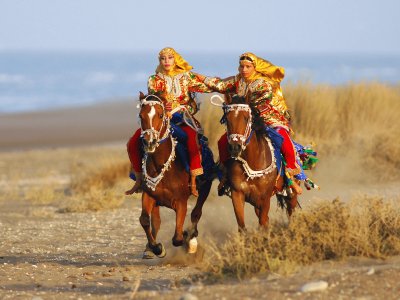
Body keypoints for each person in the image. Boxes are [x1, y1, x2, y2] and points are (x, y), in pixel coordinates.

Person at [200, 52, 303, 194]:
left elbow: (264, 100)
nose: (244, 70)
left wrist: (244, 107)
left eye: (248, 67)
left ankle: (291, 173)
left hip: (268, 118)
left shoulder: (263, 83)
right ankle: (225, 174)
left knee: (282, 137)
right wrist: (197, 77)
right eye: (241, 66)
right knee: (223, 142)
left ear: (254, 67)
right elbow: (220, 85)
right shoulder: (238, 80)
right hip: (246, 120)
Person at [126, 47, 214, 197]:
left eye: (170, 58)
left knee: (192, 139)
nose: (166, 61)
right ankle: (139, 178)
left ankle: (193, 179)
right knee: (133, 142)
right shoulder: (154, 80)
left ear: (176, 59)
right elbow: (155, 99)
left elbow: (211, 84)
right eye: (163, 58)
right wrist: (163, 108)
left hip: (182, 118)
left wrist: (233, 84)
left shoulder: (186, 77)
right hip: (161, 119)